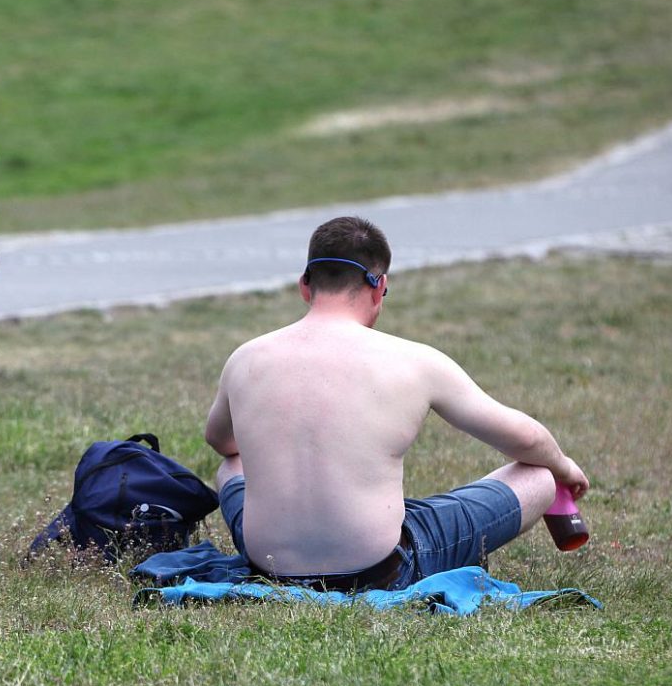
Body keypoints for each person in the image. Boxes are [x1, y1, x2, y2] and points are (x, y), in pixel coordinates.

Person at [204, 216, 589, 593]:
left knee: (231, 466)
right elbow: (526, 438)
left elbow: (221, 442)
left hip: (268, 567)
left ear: (305, 286)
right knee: (540, 477)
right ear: (379, 287)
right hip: (380, 571)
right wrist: (563, 468)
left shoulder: (245, 358)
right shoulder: (414, 360)